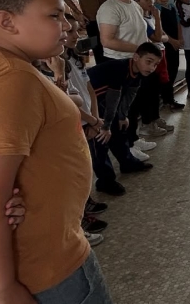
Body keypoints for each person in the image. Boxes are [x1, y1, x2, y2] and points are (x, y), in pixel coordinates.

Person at [0, 0, 114, 303]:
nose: (68, 24)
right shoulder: (12, 78)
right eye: (54, 16)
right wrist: (2, 289)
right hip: (46, 270)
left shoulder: (10, 69)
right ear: (6, 21)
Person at [97, 0, 159, 157]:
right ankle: (127, 148)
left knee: (134, 105)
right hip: (119, 63)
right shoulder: (109, 8)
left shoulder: (134, 5)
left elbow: (140, 34)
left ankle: (133, 138)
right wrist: (140, 50)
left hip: (136, 62)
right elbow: (107, 40)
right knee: (121, 109)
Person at [61, 14, 112, 245]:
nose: (75, 35)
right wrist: (91, 120)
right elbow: (66, 100)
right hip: (77, 122)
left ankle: (86, 201)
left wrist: (95, 117)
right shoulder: (54, 64)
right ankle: (79, 218)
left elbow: (89, 89)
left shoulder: (74, 57)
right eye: (70, 31)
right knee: (76, 171)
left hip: (89, 118)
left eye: (75, 30)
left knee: (86, 165)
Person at [88, 43, 161, 194]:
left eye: (155, 64)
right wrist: (105, 127)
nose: (152, 68)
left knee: (120, 131)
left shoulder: (138, 73)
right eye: (148, 62)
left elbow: (129, 96)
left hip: (105, 102)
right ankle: (105, 181)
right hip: (91, 102)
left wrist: (123, 116)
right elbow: (112, 99)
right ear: (136, 57)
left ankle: (127, 163)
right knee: (100, 140)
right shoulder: (120, 68)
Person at [132, 0, 173, 135]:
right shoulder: (140, 19)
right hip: (144, 61)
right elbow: (158, 37)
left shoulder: (149, 17)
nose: (151, 2)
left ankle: (154, 118)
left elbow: (162, 37)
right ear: (136, 1)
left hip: (155, 58)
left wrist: (157, 22)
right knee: (145, 93)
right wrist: (158, 19)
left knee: (155, 91)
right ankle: (147, 124)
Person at [148, 0, 185, 111]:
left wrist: (179, 39)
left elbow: (178, 23)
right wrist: (172, 40)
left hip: (174, 43)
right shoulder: (155, 9)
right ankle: (167, 99)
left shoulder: (171, 7)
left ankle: (168, 97)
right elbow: (159, 29)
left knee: (173, 69)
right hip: (164, 44)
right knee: (164, 72)